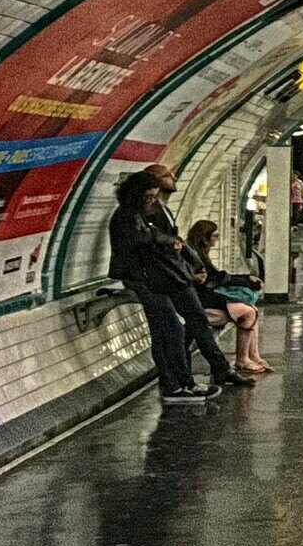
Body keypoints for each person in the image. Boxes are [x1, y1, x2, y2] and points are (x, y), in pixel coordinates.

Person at [110, 172, 238, 402]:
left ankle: (181, 383)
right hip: (147, 279)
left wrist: (191, 263)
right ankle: (178, 384)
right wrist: (170, 245)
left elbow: (171, 240)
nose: (152, 199)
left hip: (163, 277)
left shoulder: (150, 212)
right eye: (149, 196)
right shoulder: (127, 216)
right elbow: (145, 240)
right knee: (169, 329)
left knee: (173, 327)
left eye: (154, 195)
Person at [184, 220, 274, 375]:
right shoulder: (194, 256)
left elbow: (216, 277)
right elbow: (215, 278)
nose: (216, 240)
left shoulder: (196, 253)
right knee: (249, 312)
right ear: (204, 238)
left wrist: (245, 278)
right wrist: (244, 280)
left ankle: (253, 356)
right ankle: (243, 360)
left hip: (201, 298)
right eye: (215, 236)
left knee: (251, 310)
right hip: (199, 302)